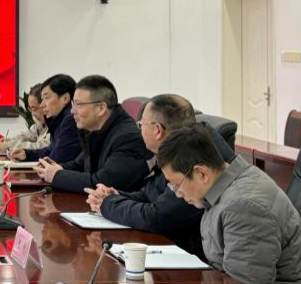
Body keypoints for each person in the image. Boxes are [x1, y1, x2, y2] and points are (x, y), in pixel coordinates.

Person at [157, 124, 301, 284]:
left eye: (176, 185)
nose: (177, 194)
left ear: (201, 173)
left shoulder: (243, 207)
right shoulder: (226, 187)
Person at [85, 94, 235, 257]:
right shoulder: (174, 150)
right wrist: (116, 196)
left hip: (191, 256)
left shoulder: (193, 156)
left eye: (140, 124)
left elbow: (158, 217)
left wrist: (108, 204)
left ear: (157, 130)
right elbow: (151, 194)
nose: (139, 130)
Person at [32, 75, 151, 193]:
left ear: (101, 108)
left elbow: (101, 183)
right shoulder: (97, 130)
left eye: (78, 104)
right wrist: (58, 168)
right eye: (73, 104)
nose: (72, 111)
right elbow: (80, 165)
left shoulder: (127, 137)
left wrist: (56, 176)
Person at [8, 74, 81, 164]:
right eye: (42, 99)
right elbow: (50, 151)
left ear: (65, 98)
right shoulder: (59, 121)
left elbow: (56, 158)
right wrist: (26, 154)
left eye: (46, 98)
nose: (42, 105)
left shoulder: (71, 121)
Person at [0, 83, 51, 154]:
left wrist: (7, 146)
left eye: (34, 109)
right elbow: (25, 136)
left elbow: (41, 146)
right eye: (31, 109)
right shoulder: (40, 125)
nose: (33, 114)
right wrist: (6, 142)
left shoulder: (56, 125)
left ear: (45, 105)